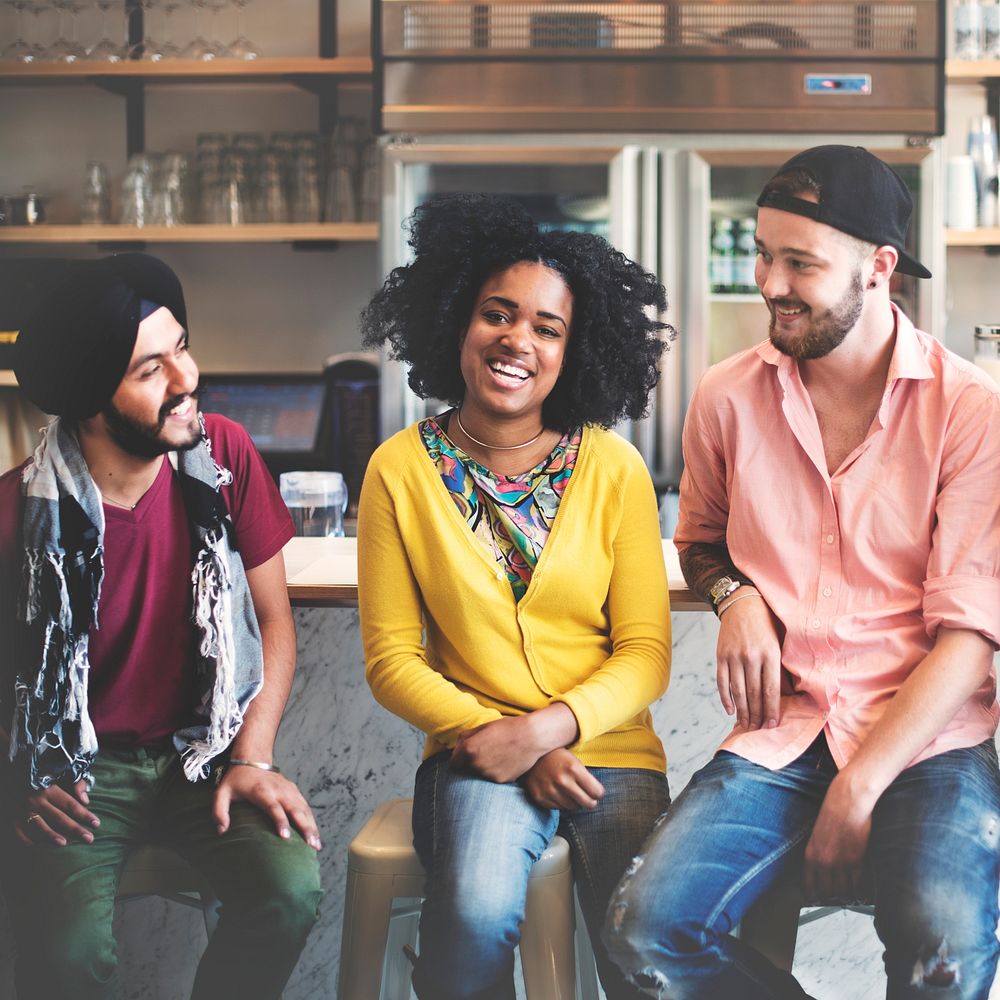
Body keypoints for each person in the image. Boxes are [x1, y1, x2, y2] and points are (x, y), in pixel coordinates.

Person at [603, 145, 1000, 999]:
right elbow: (698, 537)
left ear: (879, 268)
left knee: (949, 958)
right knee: (643, 935)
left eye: (799, 263)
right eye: (761, 253)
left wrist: (857, 789)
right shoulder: (726, 395)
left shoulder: (971, 411)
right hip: (784, 732)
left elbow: (971, 642)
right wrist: (733, 594)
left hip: (929, 741)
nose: (770, 281)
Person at [357, 193, 673, 1000]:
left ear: (575, 351)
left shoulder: (614, 468)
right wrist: (494, 735)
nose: (516, 340)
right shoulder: (398, 468)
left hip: (609, 755)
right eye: (497, 314)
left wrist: (546, 729)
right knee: (472, 915)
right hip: (477, 753)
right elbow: (392, 661)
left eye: (546, 327)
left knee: (648, 942)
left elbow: (645, 653)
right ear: (458, 321)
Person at [0, 253, 322, 1000]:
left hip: (203, 754)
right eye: (151, 368)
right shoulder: (17, 512)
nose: (187, 379)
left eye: (181, 346)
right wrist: (19, 780)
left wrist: (255, 757)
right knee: (71, 954)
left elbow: (273, 621)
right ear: (91, 397)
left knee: (289, 891)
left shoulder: (227, 457)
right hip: (79, 771)